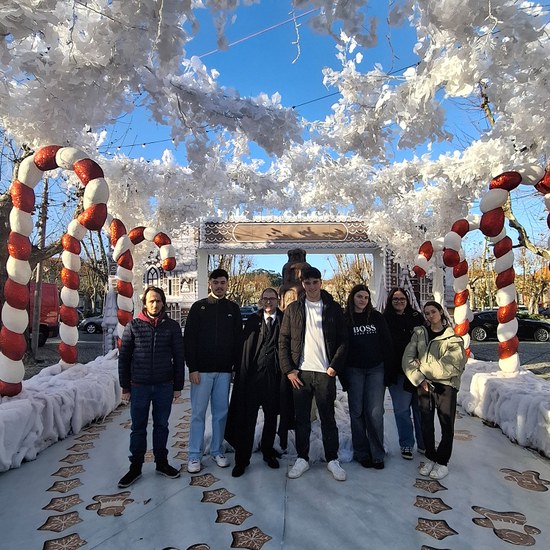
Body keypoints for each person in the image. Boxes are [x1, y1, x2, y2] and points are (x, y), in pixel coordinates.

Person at [279, 267, 348, 481]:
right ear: (303, 284)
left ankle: (332, 459)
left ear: (321, 282)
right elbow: (283, 341)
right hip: (302, 373)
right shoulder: (293, 309)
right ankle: (302, 458)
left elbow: (344, 341)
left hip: (325, 372)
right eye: (307, 283)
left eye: (314, 282)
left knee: (328, 417)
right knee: (302, 419)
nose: (311, 286)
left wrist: (334, 366)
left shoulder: (333, 308)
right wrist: (289, 369)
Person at [118, 286, 185, 488]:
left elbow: (179, 357)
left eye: (158, 300)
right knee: (138, 428)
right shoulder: (133, 326)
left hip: (164, 385)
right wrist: (125, 387)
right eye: (151, 301)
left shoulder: (172, 327)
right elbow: (124, 358)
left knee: (161, 426)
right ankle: (135, 466)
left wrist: (178, 386)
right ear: (145, 303)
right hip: (139, 387)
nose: (154, 304)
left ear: (163, 302)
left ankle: (161, 463)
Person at [184, 268, 242, 473]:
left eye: (223, 282)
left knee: (220, 413)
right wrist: (193, 368)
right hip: (202, 372)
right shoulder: (198, 308)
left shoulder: (233, 309)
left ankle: (217, 450)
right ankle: (194, 455)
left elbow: (238, 340)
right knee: (198, 414)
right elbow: (189, 339)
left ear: (227, 284)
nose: (219, 286)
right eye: (216, 282)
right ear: (210, 283)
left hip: (225, 372)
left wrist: (235, 367)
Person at [402, 301, 467, 480]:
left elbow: (452, 365)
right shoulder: (419, 334)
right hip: (423, 385)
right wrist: (420, 378)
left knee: (446, 425)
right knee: (426, 423)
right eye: (427, 313)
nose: (431, 316)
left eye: (433, 312)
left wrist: (422, 366)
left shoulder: (453, 338)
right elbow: (407, 359)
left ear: (441, 312)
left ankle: (442, 461)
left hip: (446, 387)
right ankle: (430, 456)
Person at [225, 288, 285, 477]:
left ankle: (268, 452)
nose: (268, 302)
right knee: (247, 419)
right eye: (265, 298)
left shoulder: (285, 320)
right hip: (252, 379)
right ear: (260, 300)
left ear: (278, 300)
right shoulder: (253, 320)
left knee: (270, 418)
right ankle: (242, 459)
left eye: (272, 299)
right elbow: (244, 348)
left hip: (274, 379)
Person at [344, 284, 392, 470]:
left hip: (376, 370)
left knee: (374, 413)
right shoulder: (346, 319)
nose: (362, 300)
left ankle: (377, 454)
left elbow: (387, 344)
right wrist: (342, 375)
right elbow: (341, 346)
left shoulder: (377, 318)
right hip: (354, 370)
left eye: (365, 297)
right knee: (357, 412)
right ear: (353, 298)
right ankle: (362, 453)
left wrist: (389, 371)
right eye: (359, 297)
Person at [383, 287, 425, 460]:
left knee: (421, 409)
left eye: (402, 299)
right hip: (397, 372)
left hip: (419, 370)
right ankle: (406, 443)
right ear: (390, 301)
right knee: (401, 410)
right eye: (395, 299)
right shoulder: (385, 319)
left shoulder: (416, 317)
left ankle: (424, 443)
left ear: (407, 300)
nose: (399, 302)